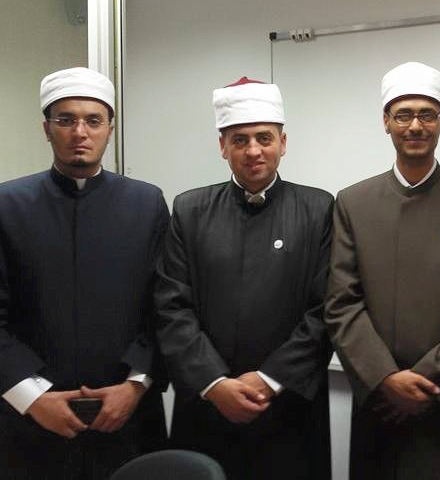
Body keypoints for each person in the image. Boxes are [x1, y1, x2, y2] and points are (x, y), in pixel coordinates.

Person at [324, 61, 440, 480]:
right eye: (403, 114)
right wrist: (385, 378)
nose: (415, 126)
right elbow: (341, 304)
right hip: (380, 401)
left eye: (427, 114)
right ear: (386, 121)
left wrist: (424, 380)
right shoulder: (353, 202)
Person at [154, 77, 333, 479]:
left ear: (283, 143)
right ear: (223, 146)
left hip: (288, 408)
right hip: (208, 406)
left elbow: (325, 309)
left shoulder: (319, 209)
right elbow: (171, 307)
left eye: (264, 138)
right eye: (240, 140)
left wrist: (270, 379)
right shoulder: (189, 210)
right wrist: (215, 383)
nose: (253, 150)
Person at [0, 67, 168, 478]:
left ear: (110, 128)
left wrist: (136, 386)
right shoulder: (7, 205)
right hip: (30, 425)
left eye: (93, 120)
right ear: (46, 128)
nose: (80, 132)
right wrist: (31, 398)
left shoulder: (147, 204)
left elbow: (165, 308)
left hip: (127, 419)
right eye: (66, 120)